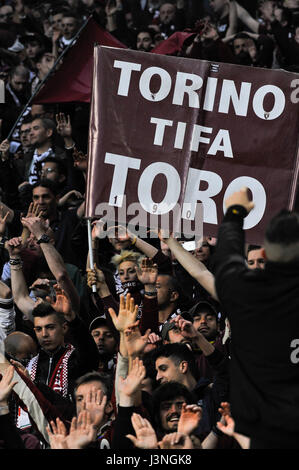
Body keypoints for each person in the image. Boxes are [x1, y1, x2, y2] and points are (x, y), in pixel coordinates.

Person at [212, 187, 299, 448]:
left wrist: (235, 213)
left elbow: (227, 256)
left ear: (264, 254)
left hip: (263, 433)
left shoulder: (244, 292)